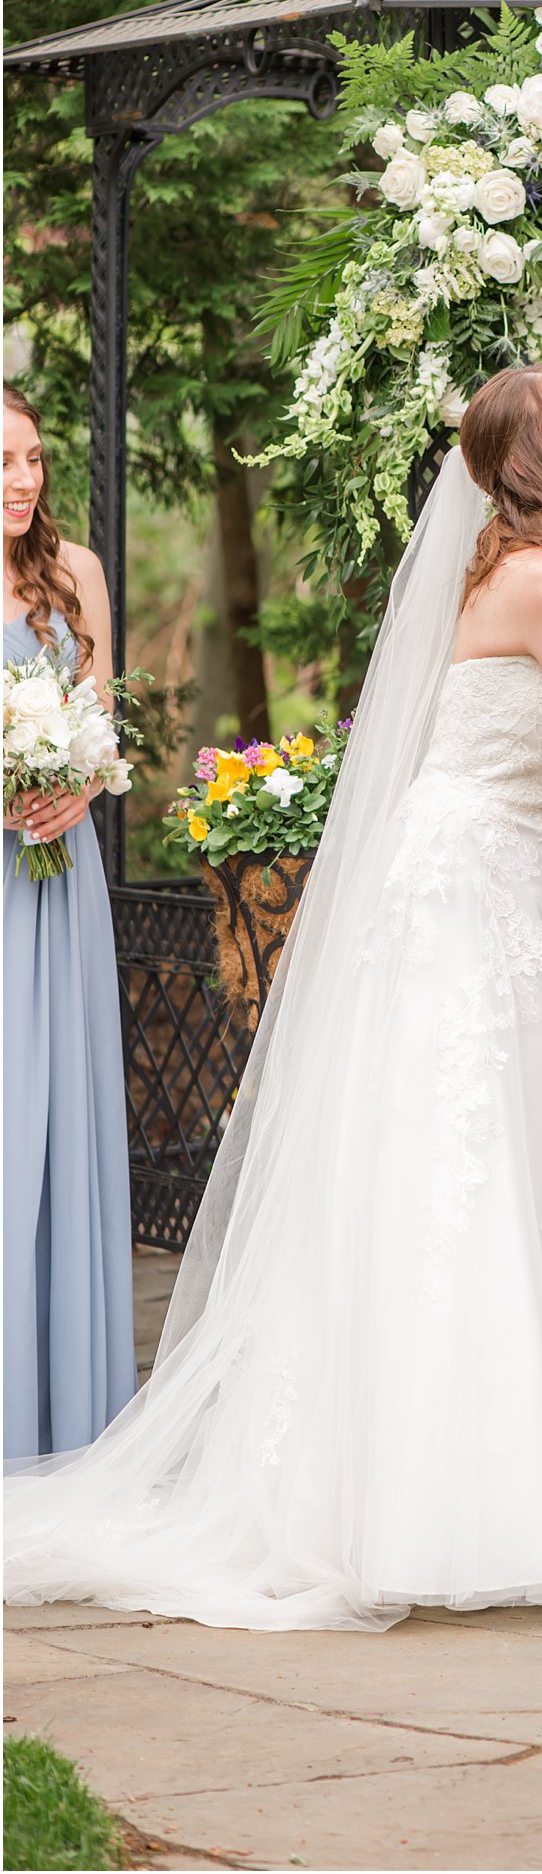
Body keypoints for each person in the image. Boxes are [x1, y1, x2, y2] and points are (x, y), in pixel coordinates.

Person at [5, 365, 542, 1633]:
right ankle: (406, 1508)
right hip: (456, 895)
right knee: (448, 1183)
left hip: (528, 889)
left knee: (534, 1185)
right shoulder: (533, 579)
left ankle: (535, 1494)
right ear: (530, 462)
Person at [3, 384, 136, 1462]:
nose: (24, 480)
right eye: (4, 461)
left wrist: (75, 787)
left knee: (62, 1115)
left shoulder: (75, 574)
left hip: (61, 869)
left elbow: (102, 714)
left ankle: (68, 1418)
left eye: (35, 458)